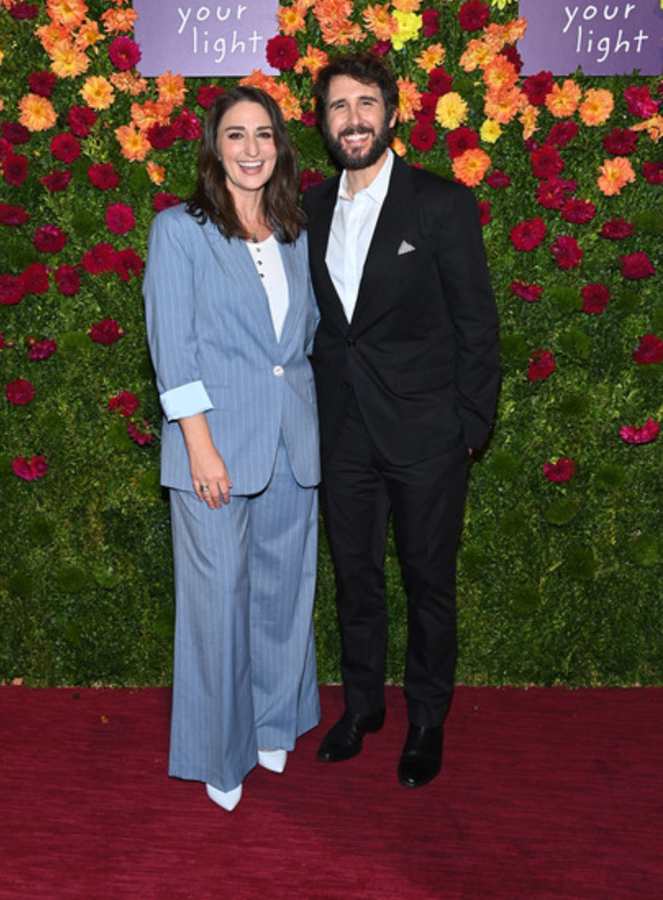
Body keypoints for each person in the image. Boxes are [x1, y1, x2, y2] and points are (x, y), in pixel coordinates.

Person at [302, 53, 500, 788]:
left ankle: (424, 719)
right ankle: (361, 708)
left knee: (427, 581)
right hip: (343, 431)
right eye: (337, 107)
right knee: (355, 579)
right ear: (323, 123)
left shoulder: (441, 204)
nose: (352, 119)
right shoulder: (311, 206)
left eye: (364, 104)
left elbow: (476, 324)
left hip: (427, 436)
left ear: (391, 111)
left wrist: (469, 428)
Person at [143, 86, 320, 812]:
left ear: (280, 146)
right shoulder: (179, 230)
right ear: (214, 146)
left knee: (284, 594)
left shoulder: (295, 228)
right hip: (212, 445)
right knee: (217, 603)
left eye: (265, 135)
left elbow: (298, 343)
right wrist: (199, 447)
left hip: (291, 439)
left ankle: (274, 722)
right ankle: (221, 753)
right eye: (237, 135)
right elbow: (171, 344)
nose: (252, 149)